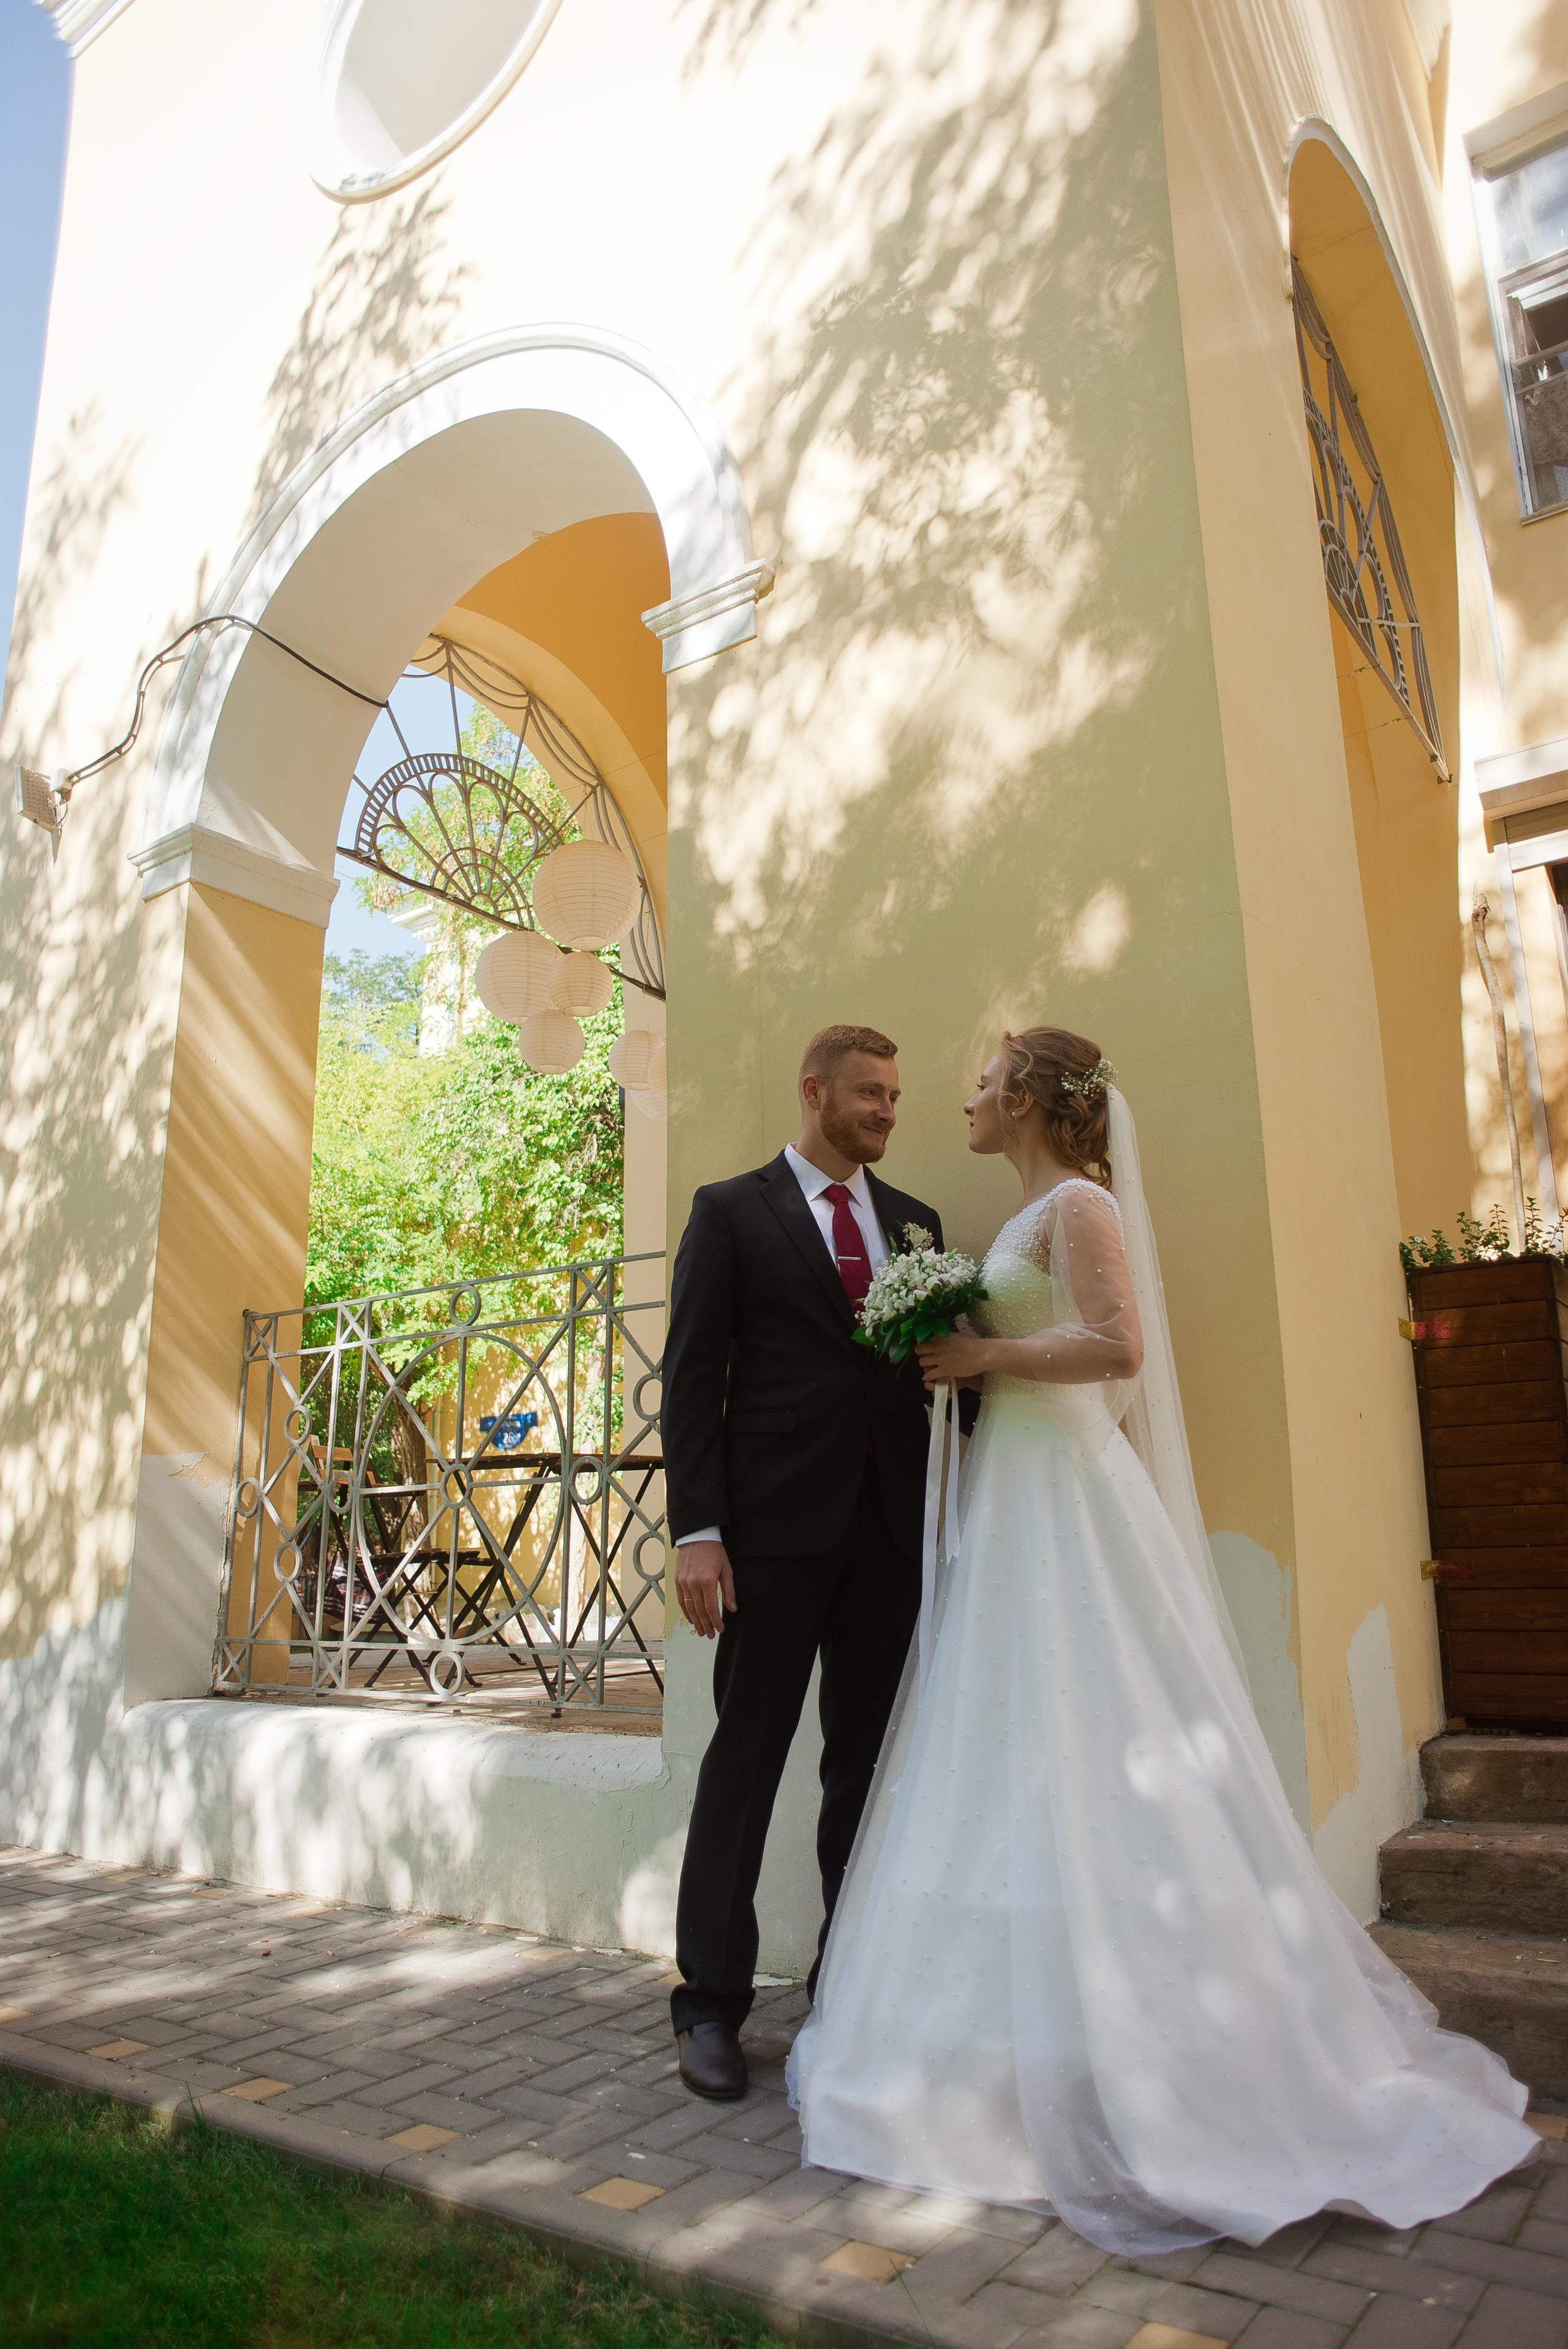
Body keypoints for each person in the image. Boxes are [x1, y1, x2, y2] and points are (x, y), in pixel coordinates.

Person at [787, 1025, 1538, 2252]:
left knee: (1088, 1728)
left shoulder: (1079, 1207)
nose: (965, 1100)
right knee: (1006, 1743)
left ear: (1027, 1099)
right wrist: (971, 1370)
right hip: (1017, 1488)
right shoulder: (1027, 1213)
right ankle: (1003, 2045)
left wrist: (983, 1353)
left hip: (1066, 1495)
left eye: (983, 1084)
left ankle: (1143, 2054)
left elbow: (1119, 1345)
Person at [661, 1023, 956, 2102]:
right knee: (745, 1761)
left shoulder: (915, 1223)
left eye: (895, 1096)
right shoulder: (731, 1212)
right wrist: (698, 1531)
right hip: (769, 1539)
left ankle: (849, 1987)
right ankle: (710, 2006)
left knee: (865, 1770)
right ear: (815, 1092)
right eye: (870, 1093)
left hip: (888, 1538)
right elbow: (691, 1379)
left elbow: (927, 1376)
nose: (886, 1111)